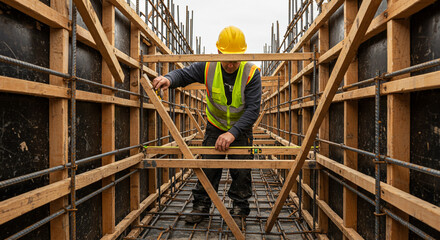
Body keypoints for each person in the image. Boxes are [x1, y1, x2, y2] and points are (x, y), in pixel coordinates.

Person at [152, 26, 262, 226]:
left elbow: (253, 109)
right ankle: (201, 206)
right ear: (219, 52)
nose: (230, 65)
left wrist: (233, 133)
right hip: (215, 124)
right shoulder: (209, 67)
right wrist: (168, 79)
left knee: (241, 169)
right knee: (208, 164)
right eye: (227, 59)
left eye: (235, 60)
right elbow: (184, 75)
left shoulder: (251, 72)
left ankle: (239, 209)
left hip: (241, 127)